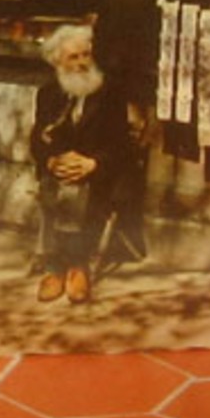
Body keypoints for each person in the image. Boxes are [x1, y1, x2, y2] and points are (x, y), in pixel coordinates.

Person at [31, 23, 128, 304]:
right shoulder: (48, 93)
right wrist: (50, 161)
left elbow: (121, 144)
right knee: (57, 185)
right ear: (57, 61)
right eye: (73, 57)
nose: (82, 63)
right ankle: (57, 268)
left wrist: (92, 163)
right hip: (59, 171)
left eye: (86, 55)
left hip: (98, 173)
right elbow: (37, 140)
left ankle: (72, 266)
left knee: (73, 190)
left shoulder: (109, 93)